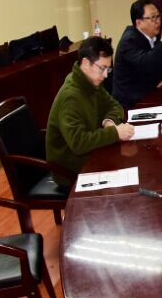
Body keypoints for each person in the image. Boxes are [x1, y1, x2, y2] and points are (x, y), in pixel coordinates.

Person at [46, 37, 135, 187]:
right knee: (125, 174)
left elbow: (114, 106)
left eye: (108, 69)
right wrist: (115, 133)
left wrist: (109, 122)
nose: (106, 75)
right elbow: (78, 143)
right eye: (102, 68)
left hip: (91, 155)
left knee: (128, 163)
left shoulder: (90, 82)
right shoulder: (71, 96)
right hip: (69, 170)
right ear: (86, 63)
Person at [112, 0, 162, 109]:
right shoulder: (128, 42)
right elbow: (147, 65)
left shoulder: (157, 37)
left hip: (154, 96)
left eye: (158, 16)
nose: (158, 21)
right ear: (138, 22)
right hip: (131, 105)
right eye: (153, 18)